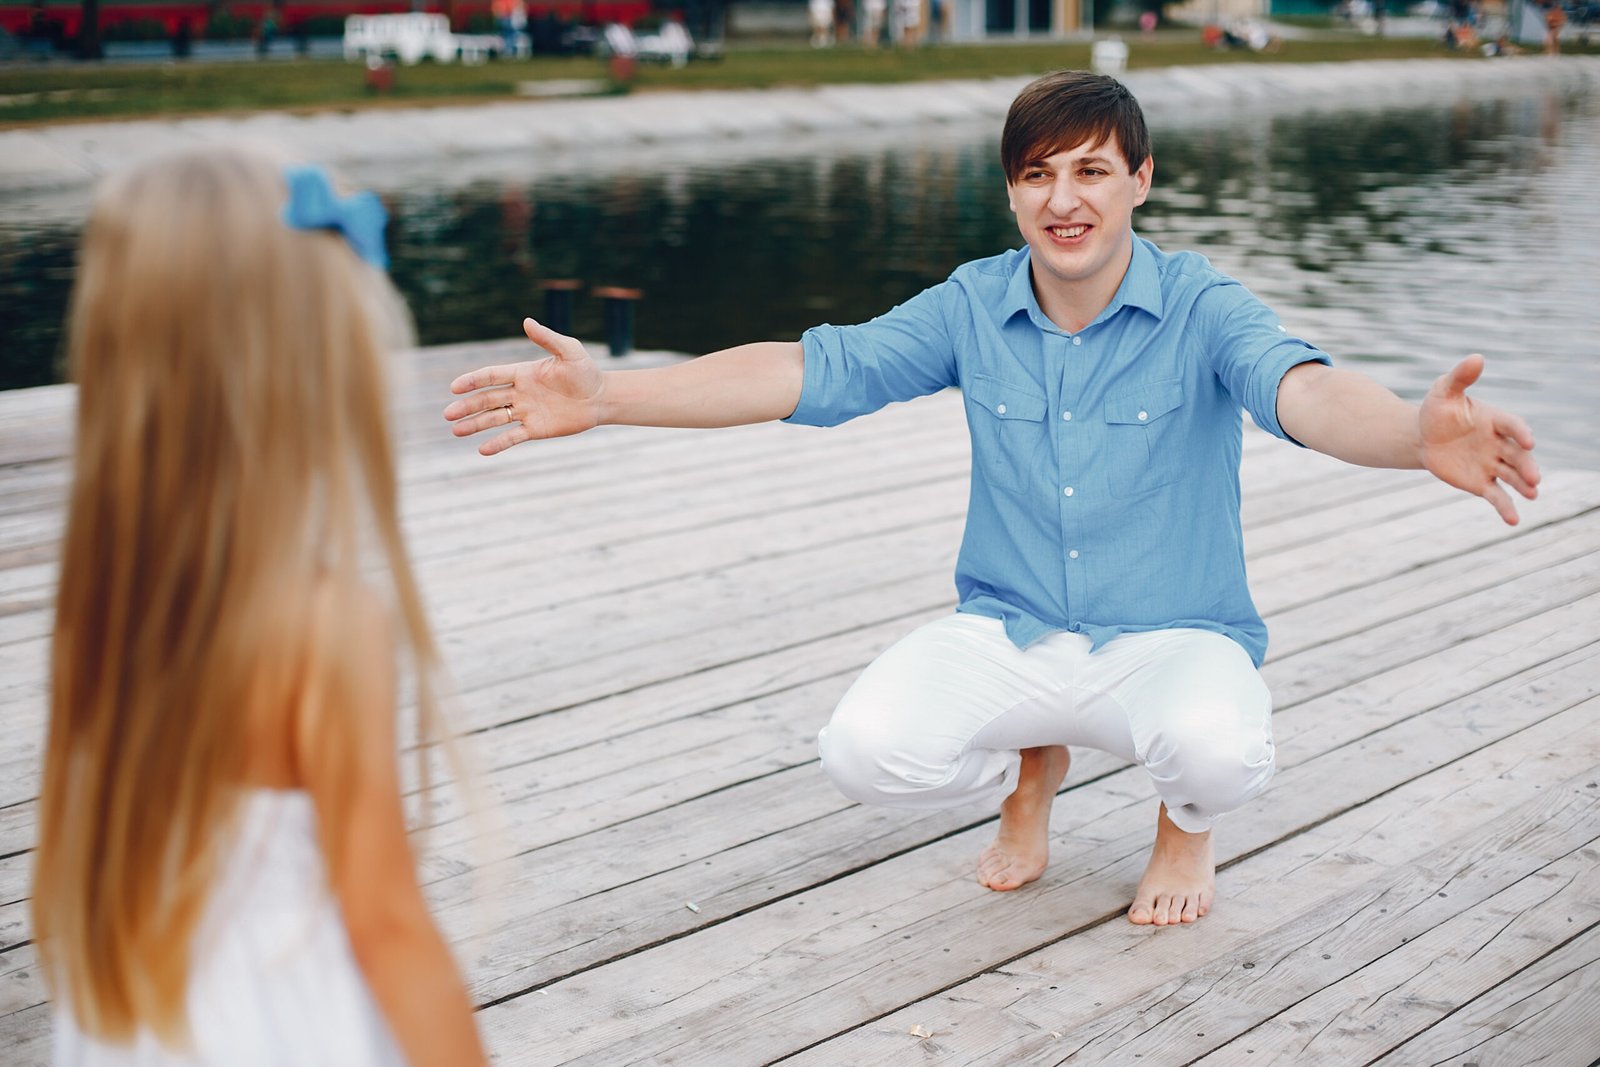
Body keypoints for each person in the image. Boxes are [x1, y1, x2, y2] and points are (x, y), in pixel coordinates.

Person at [442, 71, 1539, 927]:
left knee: (1217, 752)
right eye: (1036, 175)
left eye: (1091, 171)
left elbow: (1301, 391)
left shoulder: (1203, 303)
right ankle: (1031, 773)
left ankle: (1182, 826)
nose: (1063, 200)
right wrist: (611, 397)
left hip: (1170, 637)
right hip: (1009, 630)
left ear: (1140, 181)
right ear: (1012, 189)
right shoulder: (971, 303)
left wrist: (1408, 433)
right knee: (863, 752)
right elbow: (810, 369)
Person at [35, 147, 487, 1065]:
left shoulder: (100, 600)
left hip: (131, 1018)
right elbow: (388, 924)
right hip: (286, 1024)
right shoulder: (327, 626)